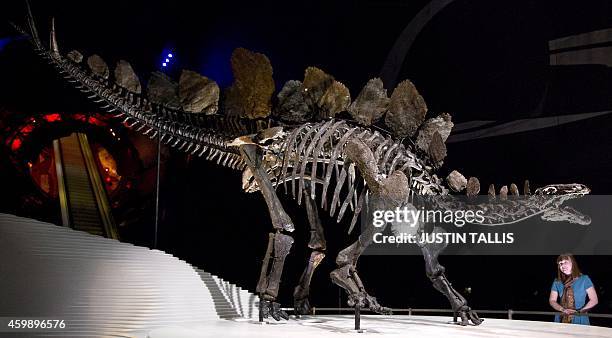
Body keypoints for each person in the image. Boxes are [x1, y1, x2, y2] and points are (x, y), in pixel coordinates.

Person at [549, 253, 598, 325]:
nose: (562, 265)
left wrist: (579, 312)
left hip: (579, 317)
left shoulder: (584, 279)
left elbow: (594, 300)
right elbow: (552, 300)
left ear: (573, 263)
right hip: (561, 317)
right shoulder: (557, 282)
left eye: (565, 262)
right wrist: (562, 309)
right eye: (560, 264)